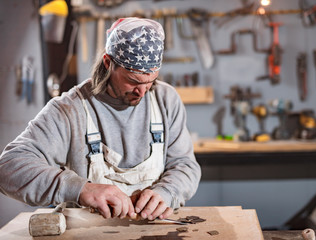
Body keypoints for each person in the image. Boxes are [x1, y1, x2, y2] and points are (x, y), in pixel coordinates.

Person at [0, 17, 201, 221]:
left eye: (151, 81)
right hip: (86, 232)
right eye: (133, 81)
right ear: (108, 63)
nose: (142, 92)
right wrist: (79, 189)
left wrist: (167, 192)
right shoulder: (70, 109)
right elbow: (7, 168)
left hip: (153, 230)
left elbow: (185, 165)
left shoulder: (165, 99)